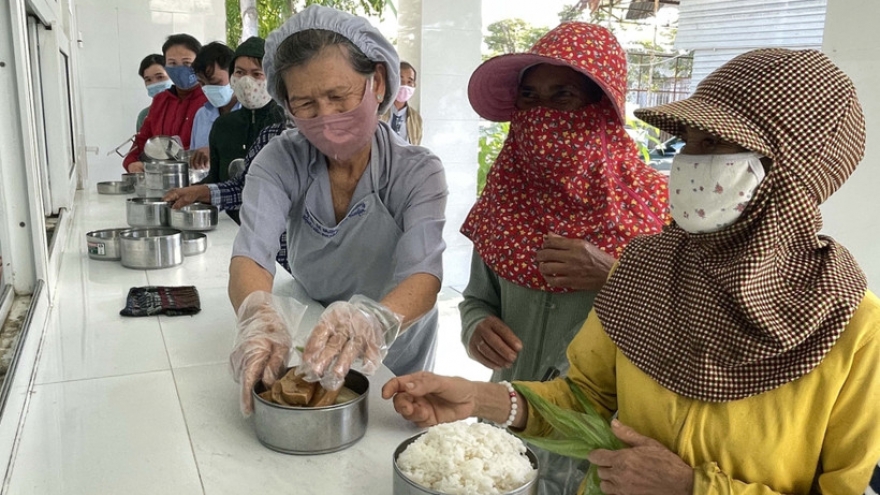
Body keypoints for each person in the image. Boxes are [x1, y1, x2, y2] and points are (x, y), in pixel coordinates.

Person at [383, 48, 880, 494]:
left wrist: (693, 488)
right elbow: (584, 399)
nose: (687, 160)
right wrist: (478, 398)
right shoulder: (649, 266)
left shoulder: (852, 327)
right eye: (688, 139)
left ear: (790, 171)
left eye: (714, 144)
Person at [458, 22, 669, 493]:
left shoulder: (655, 208)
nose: (542, 114)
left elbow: (679, 329)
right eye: (529, 97)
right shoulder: (505, 198)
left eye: (563, 97)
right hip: (505, 419)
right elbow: (476, 299)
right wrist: (475, 327)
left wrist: (611, 273)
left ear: (601, 108)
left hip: (598, 442)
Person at [227, 6, 447, 415]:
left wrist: (375, 319)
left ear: (376, 83)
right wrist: (257, 315)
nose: (326, 118)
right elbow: (251, 252)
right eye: (306, 104)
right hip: (312, 320)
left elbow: (424, 275)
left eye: (338, 96)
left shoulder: (417, 171)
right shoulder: (280, 161)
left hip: (396, 334)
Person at [202, 36, 286, 188]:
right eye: (239, 72)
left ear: (273, 78)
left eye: (257, 74)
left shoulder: (286, 125)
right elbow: (214, 179)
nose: (246, 81)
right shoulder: (223, 126)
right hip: (228, 211)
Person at [123, 34, 207, 173]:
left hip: (200, 182)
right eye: (172, 63)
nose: (179, 69)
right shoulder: (160, 101)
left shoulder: (210, 100)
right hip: (160, 180)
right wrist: (132, 162)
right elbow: (142, 140)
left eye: (187, 62)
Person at [188, 42, 241, 170]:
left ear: (234, 75)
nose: (208, 89)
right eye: (202, 84)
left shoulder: (252, 113)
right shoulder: (202, 115)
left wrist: (217, 154)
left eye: (215, 82)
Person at [380, 61, 422, 145]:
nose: (405, 86)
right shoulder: (378, 111)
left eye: (409, 82)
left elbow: (416, 147)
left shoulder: (415, 119)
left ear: (414, 85)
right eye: (401, 81)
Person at [136, 54, 170, 131]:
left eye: (160, 77)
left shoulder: (189, 109)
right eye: (148, 80)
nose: (154, 83)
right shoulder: (145, 115)